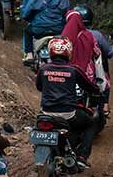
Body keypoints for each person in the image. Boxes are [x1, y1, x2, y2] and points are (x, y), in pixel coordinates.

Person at [36, 36, 101, 168]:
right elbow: (90, 87)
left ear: (50, 51)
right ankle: (82, 156)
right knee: (91, 123)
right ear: (68, 51)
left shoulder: (43, 69)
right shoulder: (73, 69)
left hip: (46, 113)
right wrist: (97, 90)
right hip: (68, 114)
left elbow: (39, 87)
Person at [21, 0, 70, 64]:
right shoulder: (65, 0)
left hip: (39, 28)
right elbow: (66, 16)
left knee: (27, 31)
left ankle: (29, 55)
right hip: (57, 29)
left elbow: (26, 12)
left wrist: (27, 18)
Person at [81, 5, 113, 117]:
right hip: (93, 71)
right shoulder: (97, 35)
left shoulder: (71, 34)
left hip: (76, 68)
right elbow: (109, 53)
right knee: (104, 73)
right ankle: (105, 104)